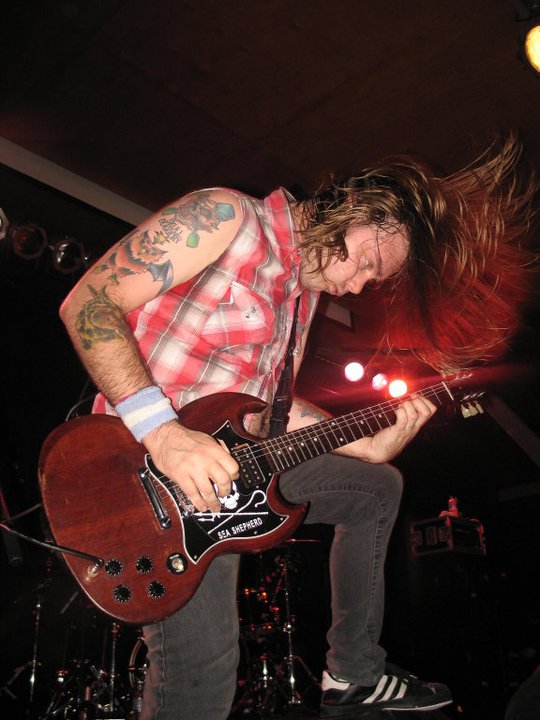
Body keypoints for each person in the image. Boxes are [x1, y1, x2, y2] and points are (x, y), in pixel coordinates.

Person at [59, 134, 537, 719]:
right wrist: (164, 432)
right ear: (356, 208)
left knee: (375, 486)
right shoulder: (227, 216)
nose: (358, 285)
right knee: (202, 681)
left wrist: (366, 444)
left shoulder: (300, 300)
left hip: (229, 475)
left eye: (372, 279)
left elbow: (265, 418)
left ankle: (353, 674)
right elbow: (89, 304)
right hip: (144, 473)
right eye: (366, 262)